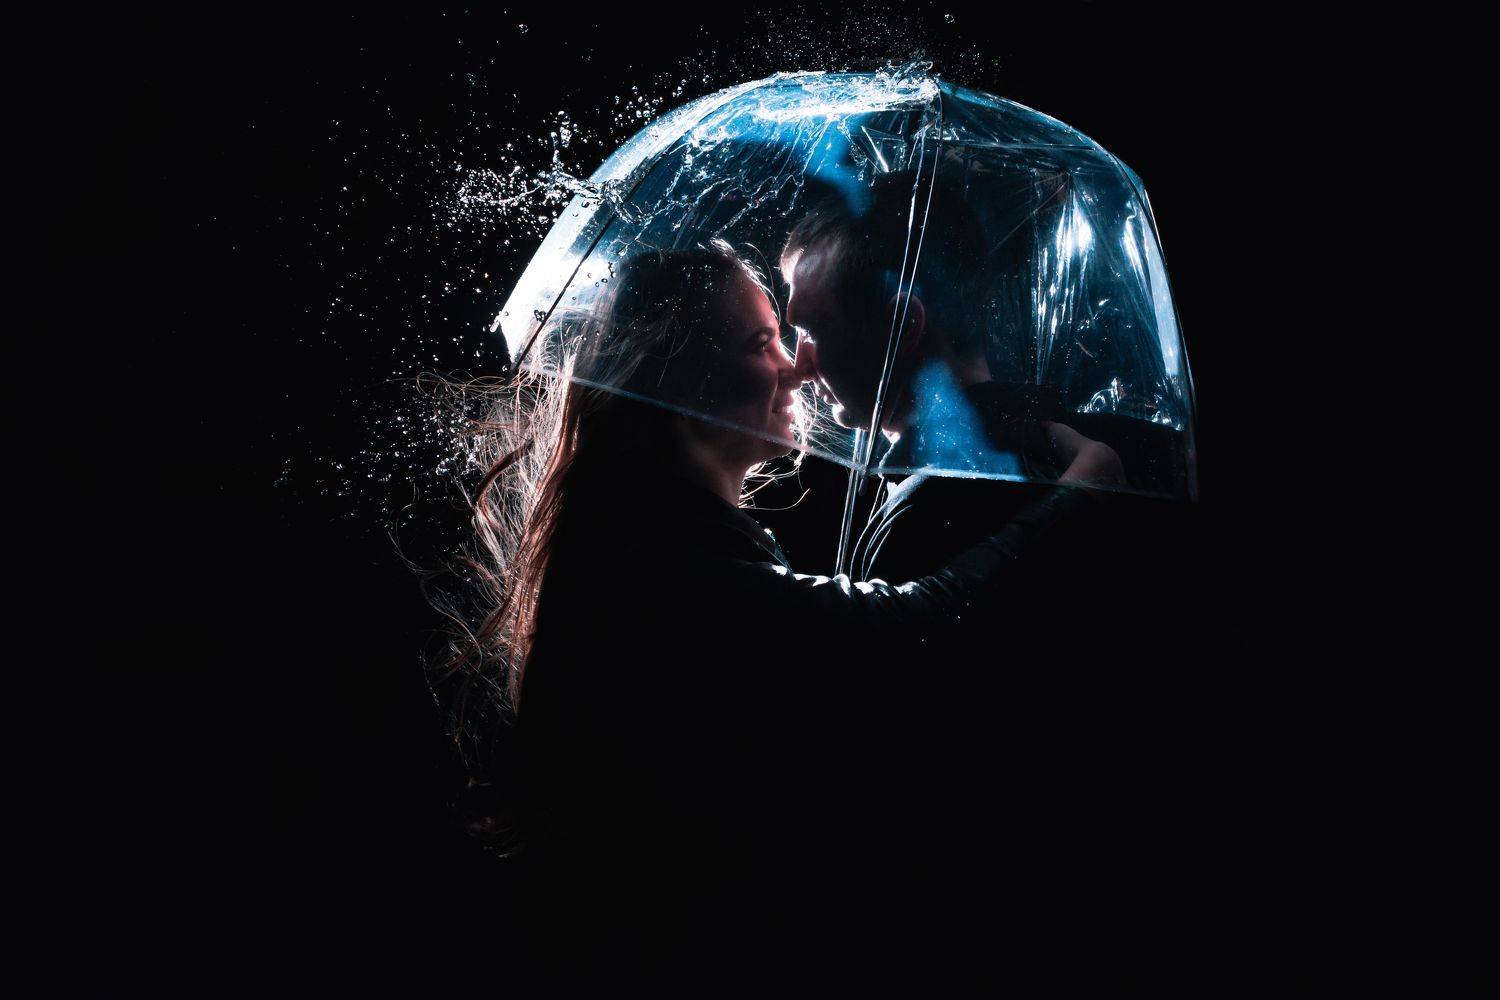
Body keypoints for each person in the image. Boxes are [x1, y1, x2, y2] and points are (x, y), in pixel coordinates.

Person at [438, 240, 1110, 983]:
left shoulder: (656, 537)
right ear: (681, 377)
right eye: (763, 343)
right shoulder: (669, 568)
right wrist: (1082, 495)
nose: (798, 367)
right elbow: (912, 628)